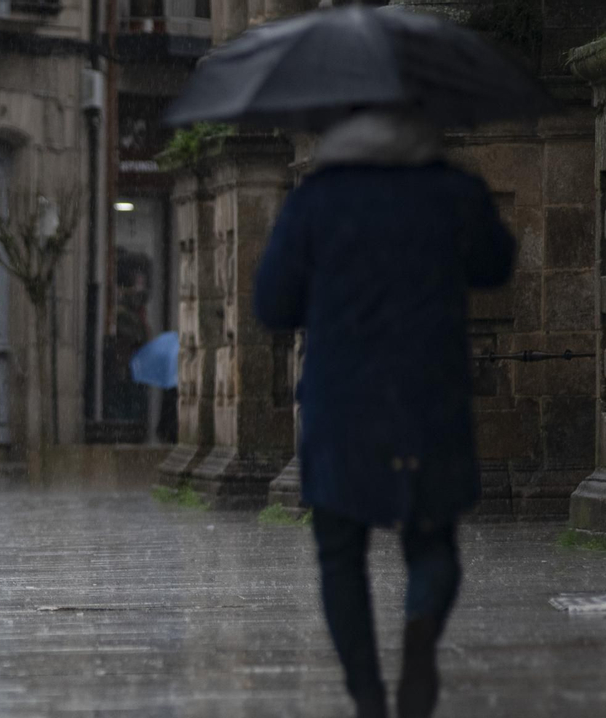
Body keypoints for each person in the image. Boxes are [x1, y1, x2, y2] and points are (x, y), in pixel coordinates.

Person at [254, 108, 515, 718]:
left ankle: (369, 699)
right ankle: (420, 627)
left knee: (340, 553)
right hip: (429, 395)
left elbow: (272, 303)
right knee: (433, 541)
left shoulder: (316, 199)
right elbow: (496, 264)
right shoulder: (450, 190)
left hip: (341, 403)